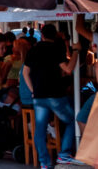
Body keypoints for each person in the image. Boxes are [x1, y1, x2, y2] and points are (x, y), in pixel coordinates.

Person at [23, 23, 80, 169]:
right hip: (55, 94)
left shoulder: (33, 50)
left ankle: (44, 163)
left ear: (41, 35)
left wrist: (33, 90)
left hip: (39, 96)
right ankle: (64, 154)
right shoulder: (56, 49)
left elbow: (25, 73)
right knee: (72, 120)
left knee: (40, 129)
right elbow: (68, 69)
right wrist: (75, 52)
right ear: (55, 36)